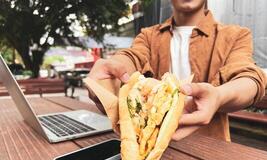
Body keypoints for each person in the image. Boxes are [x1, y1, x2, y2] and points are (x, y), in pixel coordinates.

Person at [88, 0, 266, 142]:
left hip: (211, 146)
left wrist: (218, 96)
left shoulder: (236, 35)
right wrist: (114, 66)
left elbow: (249, 78)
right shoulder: (148, 35)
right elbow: (132, 57)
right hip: (151, 144)